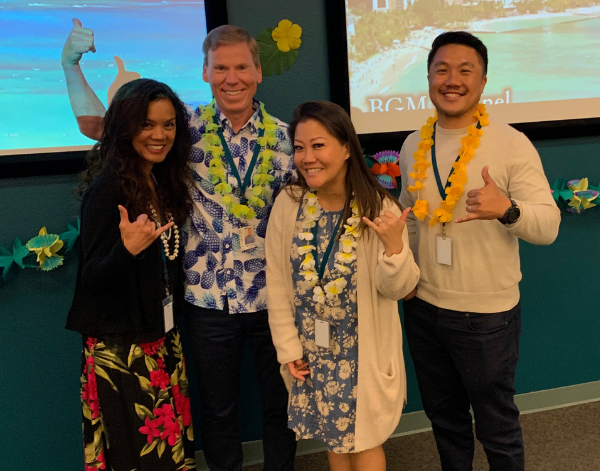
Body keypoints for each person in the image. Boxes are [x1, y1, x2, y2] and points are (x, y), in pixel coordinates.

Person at [62, 22, 297, 471]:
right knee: (218, 411)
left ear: (258, 71)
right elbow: (101, 126)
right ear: (205, 72)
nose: (233, 78)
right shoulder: (180, 128)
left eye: (242, 67)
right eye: (221, 67)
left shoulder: (286, 140)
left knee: (280, 407)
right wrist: (70, 65)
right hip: (207, 301)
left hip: (273, 300)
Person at [398, 32, 561, 471]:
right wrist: (407, 280)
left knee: (497, 428)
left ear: (484, 81)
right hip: (425, 308)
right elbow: (410, 218)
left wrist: (506, 210)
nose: (452, 80)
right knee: (445, 421)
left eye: (465, 70)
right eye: (442, 70)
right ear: (429, 77)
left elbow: (548, 226)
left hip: (485, 317)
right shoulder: (414, 144)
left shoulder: (511, 143)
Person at [266, 101, 420, 471]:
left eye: (318, 145)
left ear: (347, 148)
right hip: (313, 350)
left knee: (364, 442)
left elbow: (399, 288)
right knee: (334, 439)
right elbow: (276, 280)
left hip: (360, 353)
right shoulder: (290, 203)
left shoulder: (377, 205)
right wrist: (287, 348)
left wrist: (394, 248)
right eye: (299, 148)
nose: (308, 158)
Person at [66, 78, 196, 471]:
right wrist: (126, 251)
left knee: (166, 454)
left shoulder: (156, 179)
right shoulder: (108, 189)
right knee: (136, 457)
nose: (160, 135)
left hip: (159, 339)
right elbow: (91, 280)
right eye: (147, 125)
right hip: (123, 350)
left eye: (168, 124)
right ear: (124, 128)